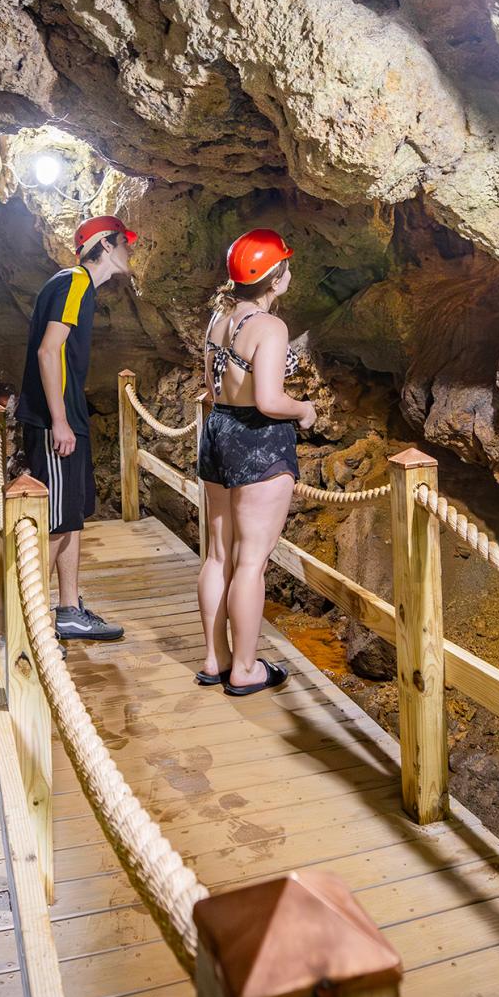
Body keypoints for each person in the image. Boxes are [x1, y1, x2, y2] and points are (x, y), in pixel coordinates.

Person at [194, 228, 317, 695]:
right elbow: (268, 400)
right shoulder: (270, 327)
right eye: (286, 266)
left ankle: (215, 658)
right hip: (257, 440)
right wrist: (304, 409)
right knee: (251, 562)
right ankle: (245, 669)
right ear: (275, 278)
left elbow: (211, 387)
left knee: (219, 554)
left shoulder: (218, 319)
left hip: (219, 431)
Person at [17, 213, 137, 641]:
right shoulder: (74, 282)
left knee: (69, 519)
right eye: (125, 242)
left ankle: (67, 610)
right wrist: (60, 421)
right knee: (53, 524)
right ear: (105, 244)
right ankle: (27, 630)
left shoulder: (76, 286)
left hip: (66, 417)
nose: (130, 250)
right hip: (57, 421)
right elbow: (49, 352)